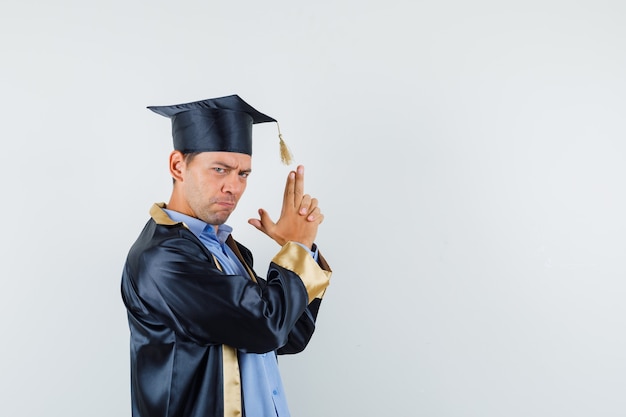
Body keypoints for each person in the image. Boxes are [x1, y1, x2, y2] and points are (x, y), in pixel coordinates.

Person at [120, 94, 332, 417]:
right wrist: (297, 250)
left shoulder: (227, 250)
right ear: (178, 166)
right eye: (220, 169)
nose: (233, 187)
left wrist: (296, 250)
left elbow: (290, 334)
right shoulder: (162, 258)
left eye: (243, 174)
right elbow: (266, 326)